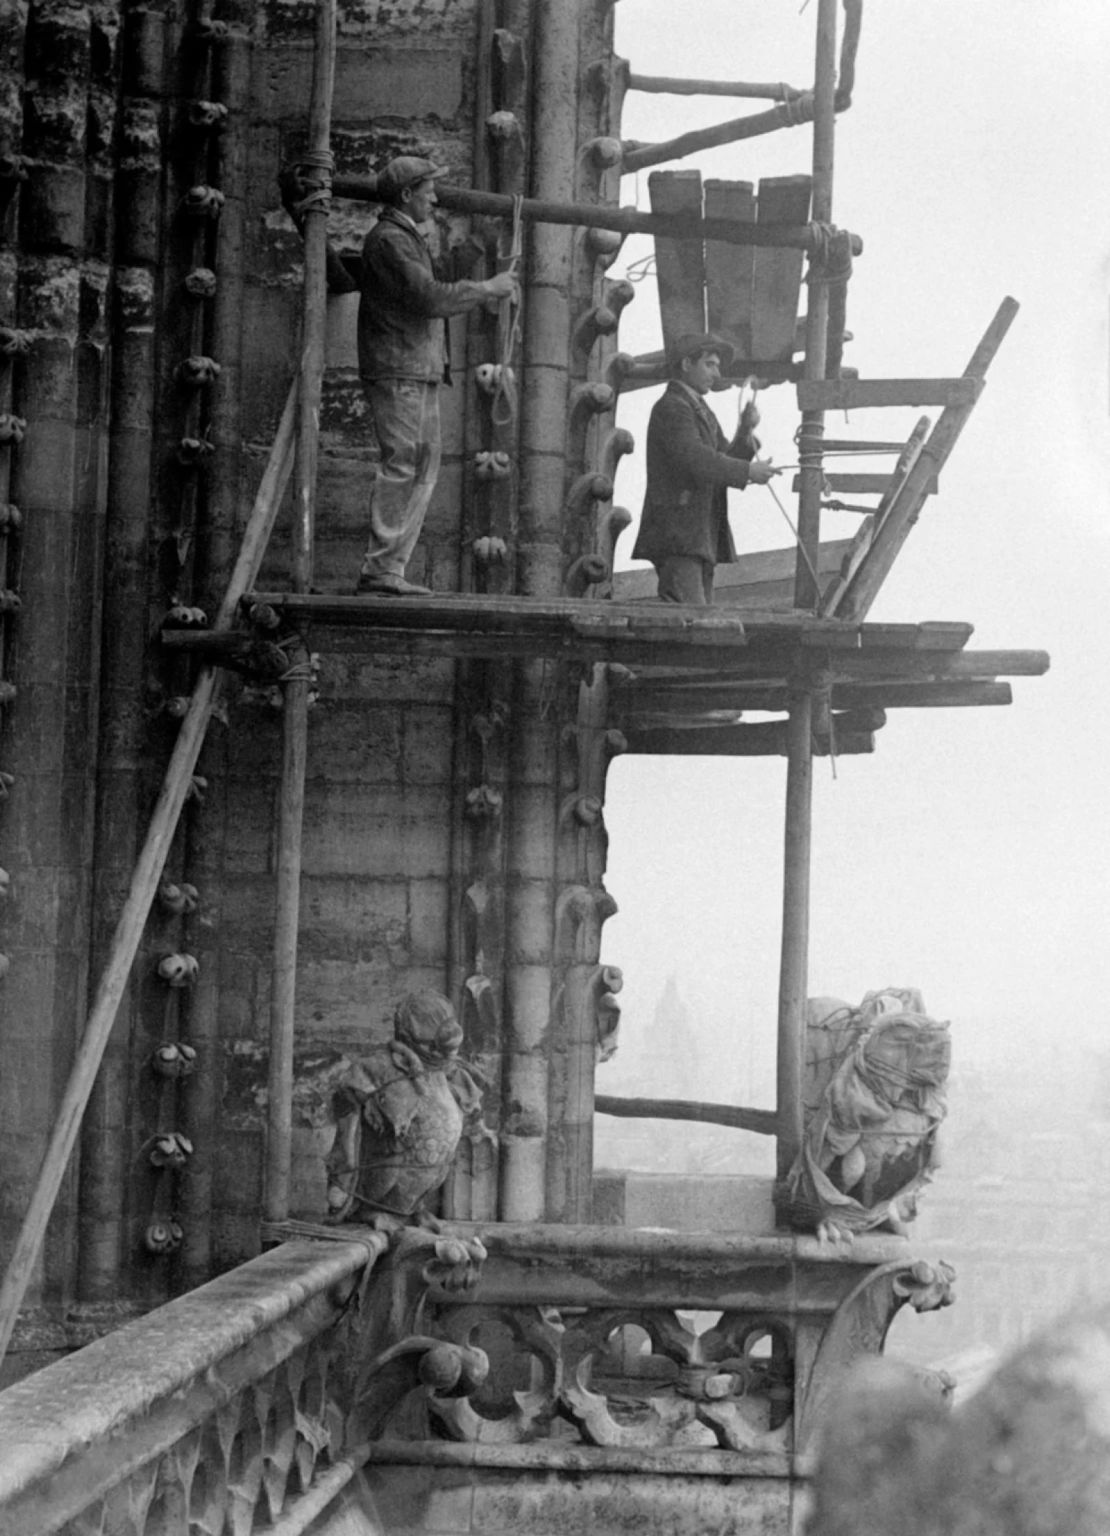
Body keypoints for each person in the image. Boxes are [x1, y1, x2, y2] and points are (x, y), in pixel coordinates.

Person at [283, 155, 519, 596]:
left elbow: (436, 277)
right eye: (429, 189)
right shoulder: (389, 240)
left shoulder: (405, 237)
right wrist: (488, 288)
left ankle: (390, 567)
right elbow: (428, 296)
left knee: (422, 467)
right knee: (403, 464)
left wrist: (479, 245)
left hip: (418, 367)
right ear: (407, 194)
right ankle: (380, 569)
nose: (435, 196)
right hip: (399, 368)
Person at [631, 333, 780, 605]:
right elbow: (698, 460)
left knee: (697, 618)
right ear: (687, 363)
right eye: (710, 364)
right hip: (680, 537)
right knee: (690, 620)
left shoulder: (697, 409)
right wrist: (748, 471)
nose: (717, 372)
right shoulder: (672, 407)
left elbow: (720, 457)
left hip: (697, 537)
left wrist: (745, 430)